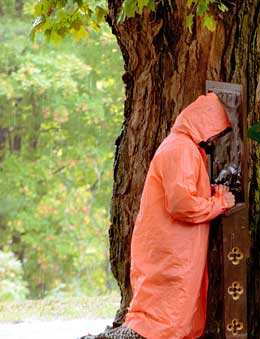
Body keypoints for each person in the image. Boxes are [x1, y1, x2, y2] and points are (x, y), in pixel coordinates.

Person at [88, 93, 236, 339]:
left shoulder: (184, 147)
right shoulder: (182, 149)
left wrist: (211, 192)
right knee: (158, 322)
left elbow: (186, 190)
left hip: (173, 249)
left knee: (167, 318)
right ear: (205, 125)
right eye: (216, 133)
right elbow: (182, 204)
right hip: (171, 252)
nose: (216, 140)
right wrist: (220, 202)